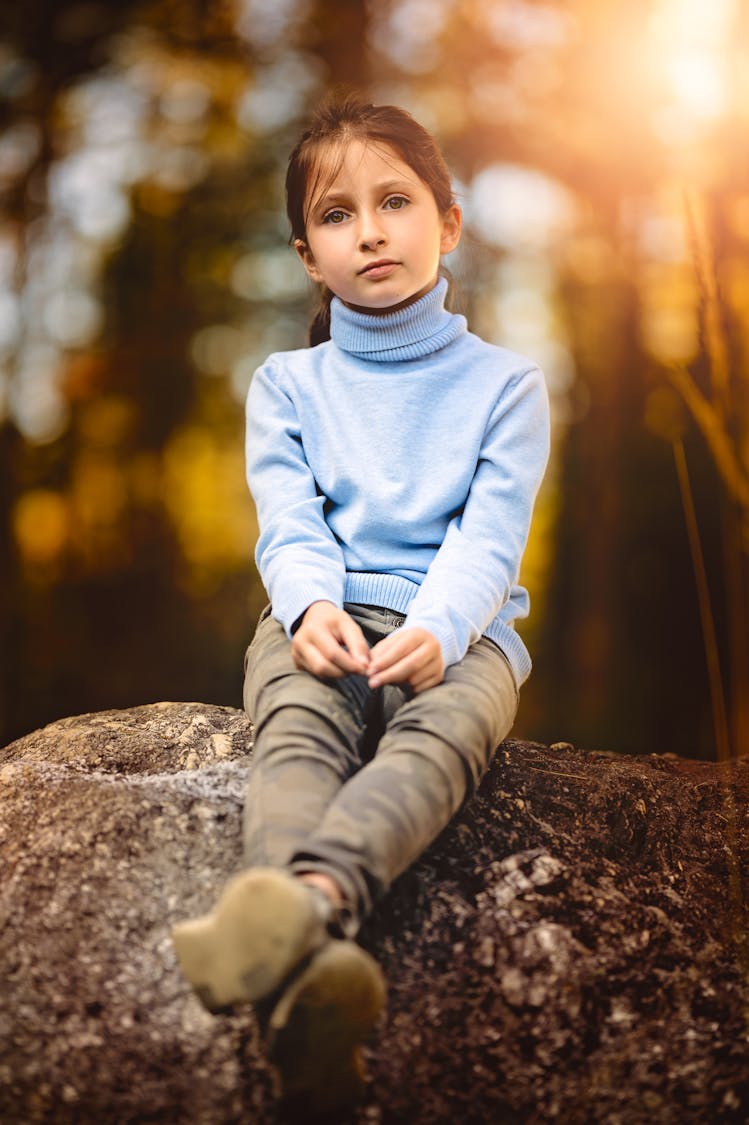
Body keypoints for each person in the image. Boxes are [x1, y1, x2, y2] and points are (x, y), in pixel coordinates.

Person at [172, 93, 550, 1118]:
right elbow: (289, 523)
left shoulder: (506, 384)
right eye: (338, 215)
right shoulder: (288, 384)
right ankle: (308, 990)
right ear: (307, 254)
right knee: (295, 739)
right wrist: (305, 610)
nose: (371, 230)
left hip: (460, 635)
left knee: (440, 743)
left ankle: (312, 902)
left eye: (396, 201)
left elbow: (490, 535)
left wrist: (441, 629)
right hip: (325, 621)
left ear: (449, 223)